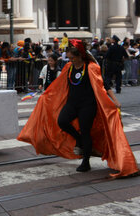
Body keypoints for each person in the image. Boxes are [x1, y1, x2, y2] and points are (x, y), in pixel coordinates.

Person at [18, 40, 138, 176]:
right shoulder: (69, 67)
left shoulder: (91, 67)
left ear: (80, 55)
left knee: (86, 131)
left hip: (88, 104)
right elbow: (58, 84)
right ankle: (78, 139)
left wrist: (115, 101)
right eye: (69, 58)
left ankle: (85, 161)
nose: (70, 60)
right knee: (62, 121)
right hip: (72, 103)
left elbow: (104, 84)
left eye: (72, 58)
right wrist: (46, 95)